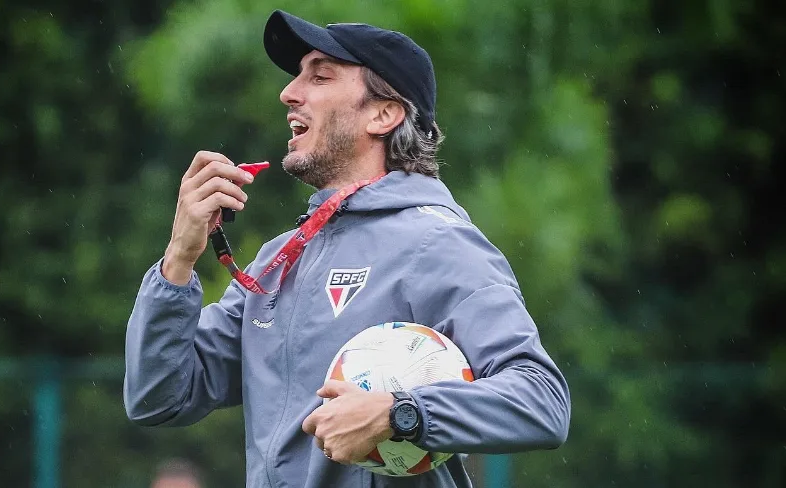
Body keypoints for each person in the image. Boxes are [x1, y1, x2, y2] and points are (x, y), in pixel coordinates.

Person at [124, 9, 571, 488]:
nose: (289, 93)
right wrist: (179, 259)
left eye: (320, 77)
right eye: (298, 76)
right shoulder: (279, 263)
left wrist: (399, 414)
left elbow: (541, 401)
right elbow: (158, 397)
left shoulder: (437, 242)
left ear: (383, 114)